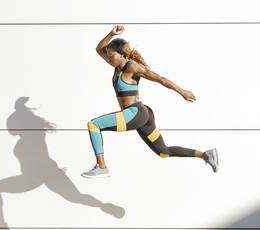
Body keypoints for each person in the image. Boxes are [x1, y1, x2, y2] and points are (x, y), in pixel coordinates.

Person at [82, 25, 218, 178]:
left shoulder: (132, 67)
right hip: (143, 116)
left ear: (121, 55)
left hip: (135, 113)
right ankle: (206, 155)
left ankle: (101, 167)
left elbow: (160, 79)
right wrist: (111, 34)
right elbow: (99, 49)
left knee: (93, 125)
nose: (109, 58)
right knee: (163, 152)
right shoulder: (117, 66)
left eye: (111, 55)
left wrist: (182, 91)